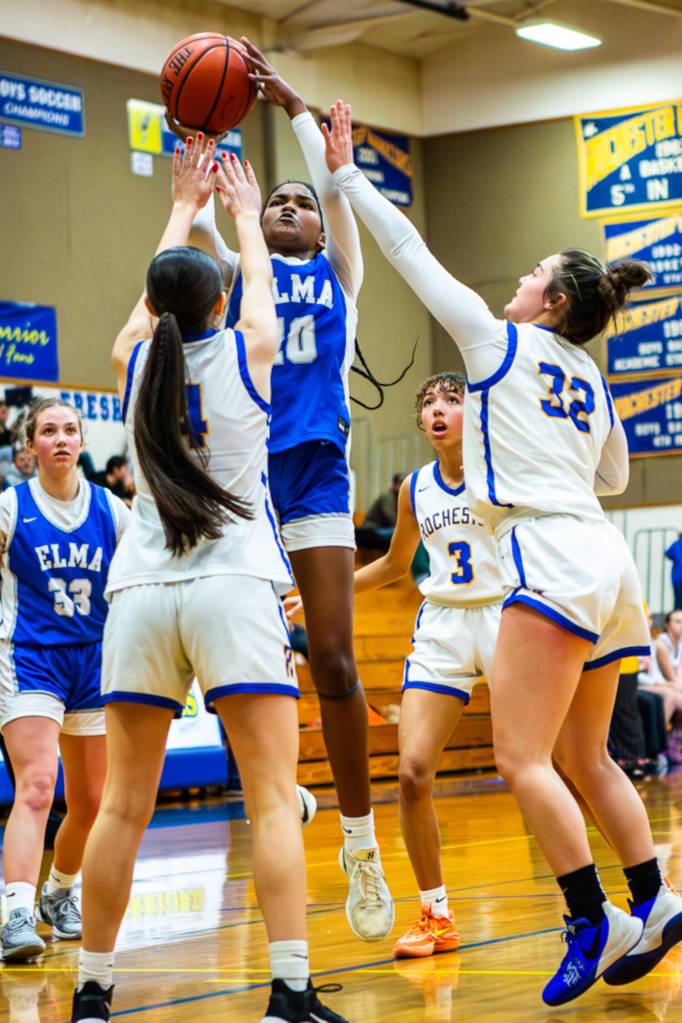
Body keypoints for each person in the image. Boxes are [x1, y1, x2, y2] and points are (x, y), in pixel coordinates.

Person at [323, 100, 682, 1005]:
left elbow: (407, 252)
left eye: (532, 274)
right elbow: (612, 474)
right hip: (607, 558)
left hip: (549, 550)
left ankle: (588, 916)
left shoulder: (496, 340)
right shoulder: (591, 373)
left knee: (524, 759)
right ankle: (655, 896)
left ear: (552, 301)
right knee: (589, 756)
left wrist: (344, 171)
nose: (518, 280)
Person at [68, 140, 351, 1023]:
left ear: (153, 305)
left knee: (121, 806)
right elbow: (254, 289)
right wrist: (240, 213)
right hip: (232, 581)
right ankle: (290, 993)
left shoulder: (135, 362)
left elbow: (154, 305)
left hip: (141, 592)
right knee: (272, 797)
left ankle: (91, 994)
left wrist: (180, 207)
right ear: (221, 299)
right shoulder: (250, 348)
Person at [188, 42, 393, 942]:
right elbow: (199, 217)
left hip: (314, 471)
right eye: (276, 201)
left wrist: (296, 110)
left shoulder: (343, 275)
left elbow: (340, 194)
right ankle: (283, 791)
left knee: (338, 661)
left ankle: (359, 840)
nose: (292, 206)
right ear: (257, 223)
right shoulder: (239, 277)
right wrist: (200, 146)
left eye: (302, 203)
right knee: (236, 670)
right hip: (242, 481)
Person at [354, 372, 502, 958]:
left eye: (451, 400)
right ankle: (435, 915)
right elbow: (395, 563)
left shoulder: (503, 469)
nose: (438, 410)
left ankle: (639, 886)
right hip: (442, 622)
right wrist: (330, 596)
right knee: (412, 773)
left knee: (558, 764)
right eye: (428, 404)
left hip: (505, 615)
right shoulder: (415, 487)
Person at [0, 398, 128, 962]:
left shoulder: (113, 510)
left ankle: (60, 892)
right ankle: (15, 916)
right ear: (30, 445)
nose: (60, 438)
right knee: (36, 786)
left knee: (94, 799)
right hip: (29, 658)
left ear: (82, 442)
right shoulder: (9, 508)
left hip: (94, 662)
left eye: (69, 430)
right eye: (48, 430)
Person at [639, 609, 682, 764]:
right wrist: (665, 684)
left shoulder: (678, 644)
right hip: (639, 685)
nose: (681, 625)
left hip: (657, 683)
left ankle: (672, 742)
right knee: (673, 696)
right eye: (677, 621)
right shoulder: (661, 643)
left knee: (675, 694)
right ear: (667, 624)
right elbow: (669, 676)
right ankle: (657, 745)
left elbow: (656, 671)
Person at [355, 473, 405, 552]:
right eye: (401, 484)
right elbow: (390, 517)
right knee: (401, 533)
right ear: (395, 485)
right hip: (372, 530)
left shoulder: (398, 498)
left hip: (380, 529)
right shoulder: (388, 496)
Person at [666, 535, 682, 610]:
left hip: (678, 578)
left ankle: (677, 619)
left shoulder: (676, 544)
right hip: (678, 578)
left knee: (678, 602)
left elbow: (668, 554)